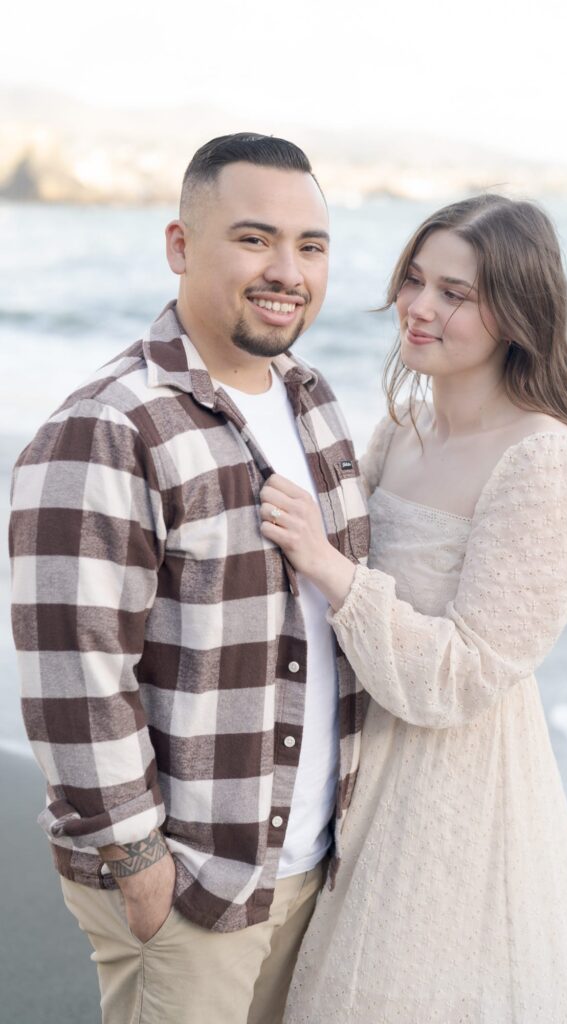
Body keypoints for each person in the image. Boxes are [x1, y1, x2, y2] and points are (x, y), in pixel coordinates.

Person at [9, 133, 369, 1024]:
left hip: (306, 861)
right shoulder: (108, 425)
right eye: (254, 239)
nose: (287, 269)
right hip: (192, 885)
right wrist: (141, 870)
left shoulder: (314, 402)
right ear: (180, 246)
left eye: (310, 246)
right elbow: (74, 672)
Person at [259, 195, 567, 1023]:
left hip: (452, 795)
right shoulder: (399, 432)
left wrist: (325, 563)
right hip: (348, 775)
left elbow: (465, 675)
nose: (419, 307)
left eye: (455, 293)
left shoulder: (544, 459)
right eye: (415, 280)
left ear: (518, 312)